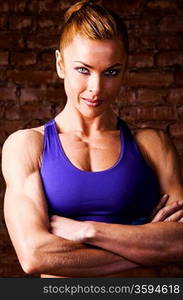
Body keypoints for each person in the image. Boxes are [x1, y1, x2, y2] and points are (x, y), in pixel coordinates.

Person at [2, 0, 183, 278]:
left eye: (111, 72)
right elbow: (35, 255)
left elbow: (179, 243)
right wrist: (146, 244)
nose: (95, 88)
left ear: (124, 70)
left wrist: (88, 231)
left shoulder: (152, 145)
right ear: (61, 64)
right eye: (83, 70)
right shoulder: (27, 146)